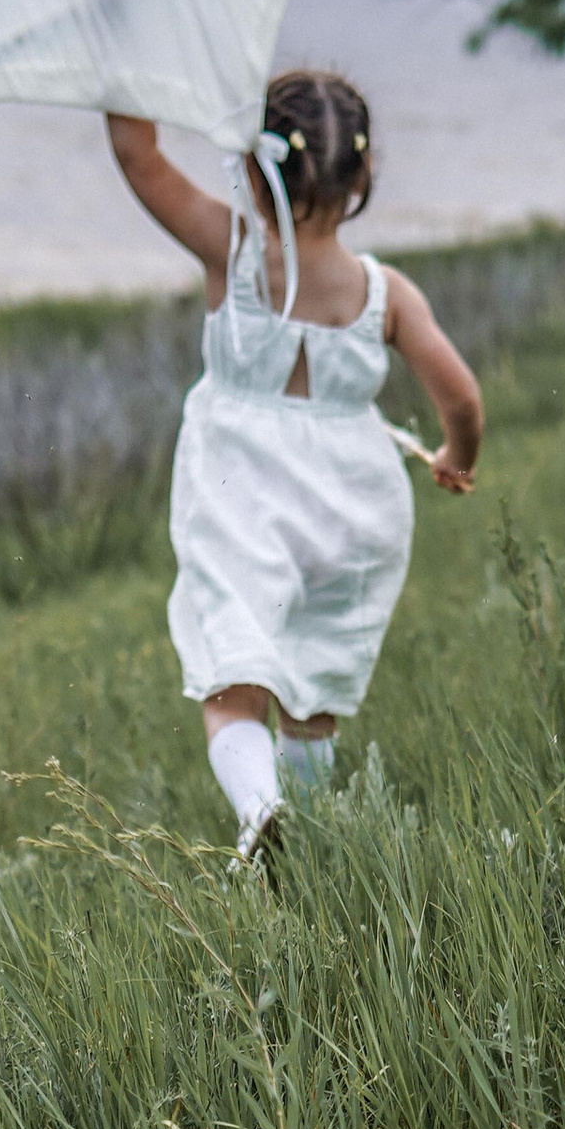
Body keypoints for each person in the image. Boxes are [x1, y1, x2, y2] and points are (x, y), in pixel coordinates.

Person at [106, 68, 483, 859]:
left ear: (252, 167)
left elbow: (138, 156)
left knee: (231, 687)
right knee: (312, 694)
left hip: (242, 496)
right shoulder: (386, 293)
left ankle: (259, 810)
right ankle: (302, 838)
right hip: (353, 514)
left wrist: (129, 60)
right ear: (363, 176)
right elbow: (463, 400)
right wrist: (453, 456)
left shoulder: (234, 250)